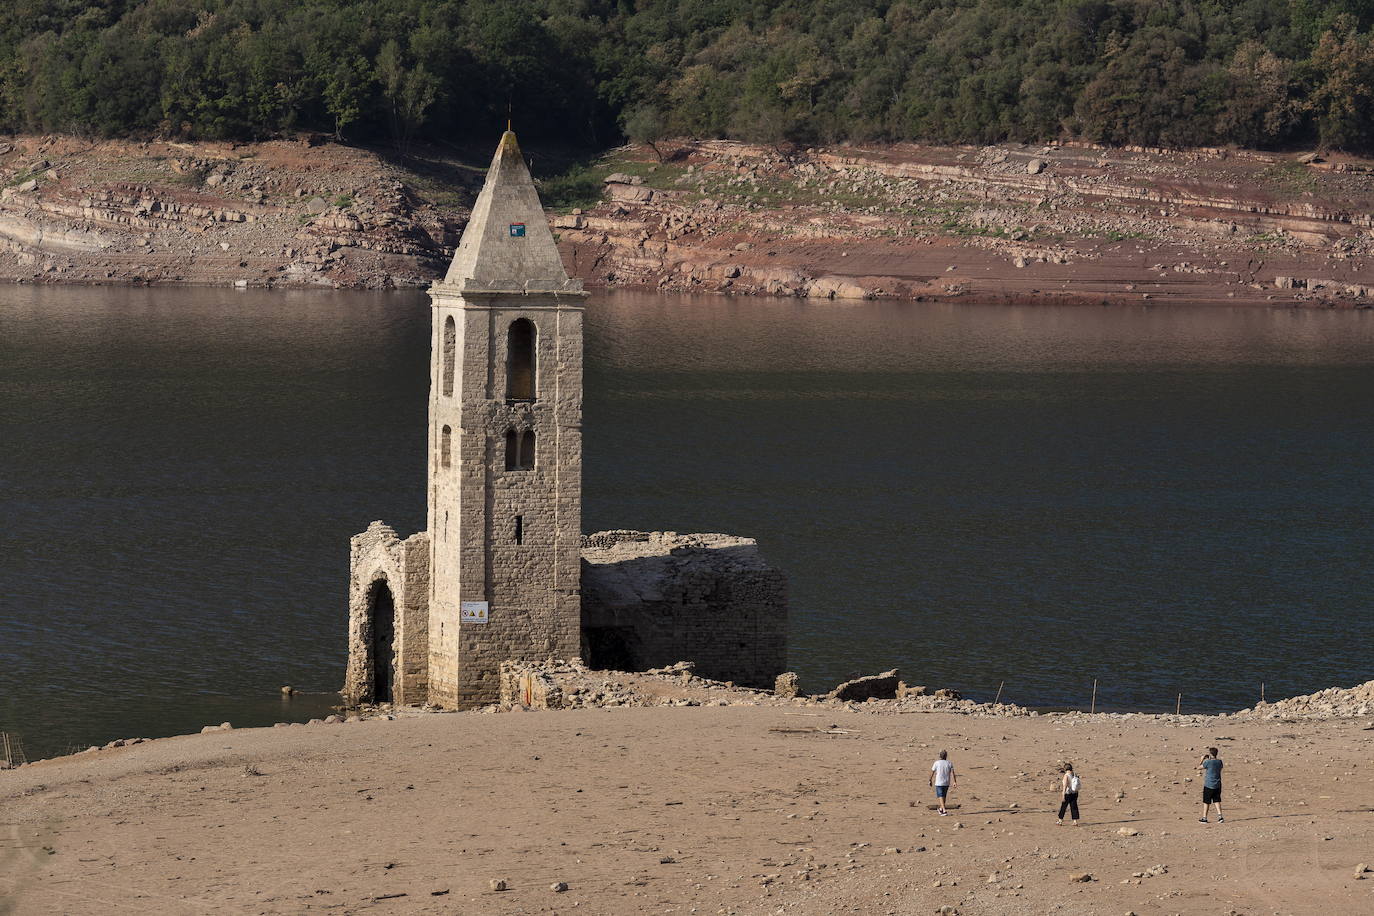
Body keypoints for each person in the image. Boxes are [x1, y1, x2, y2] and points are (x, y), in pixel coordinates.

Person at [1199, 747, 1224, 823]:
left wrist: (1202, 760)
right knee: (1217, 800)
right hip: (1217, 784)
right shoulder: (1219, 762)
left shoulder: (1207, 762)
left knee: (1206, 802)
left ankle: (1204, 818)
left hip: (1209, 785)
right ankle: (1220, 817)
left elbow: (1199, 767)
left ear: (1210, 754)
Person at [930, 750, 956, 815]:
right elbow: (953, 773)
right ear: (946, 756)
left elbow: (932, 772)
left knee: (941, 796)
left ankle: (944, 810)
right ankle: (941, 809)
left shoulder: (937, 763)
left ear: (939, 756)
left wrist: (930, 780)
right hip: (946, 782)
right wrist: (954, 781)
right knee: (944, 796)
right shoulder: (949, 763)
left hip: (939, 782)